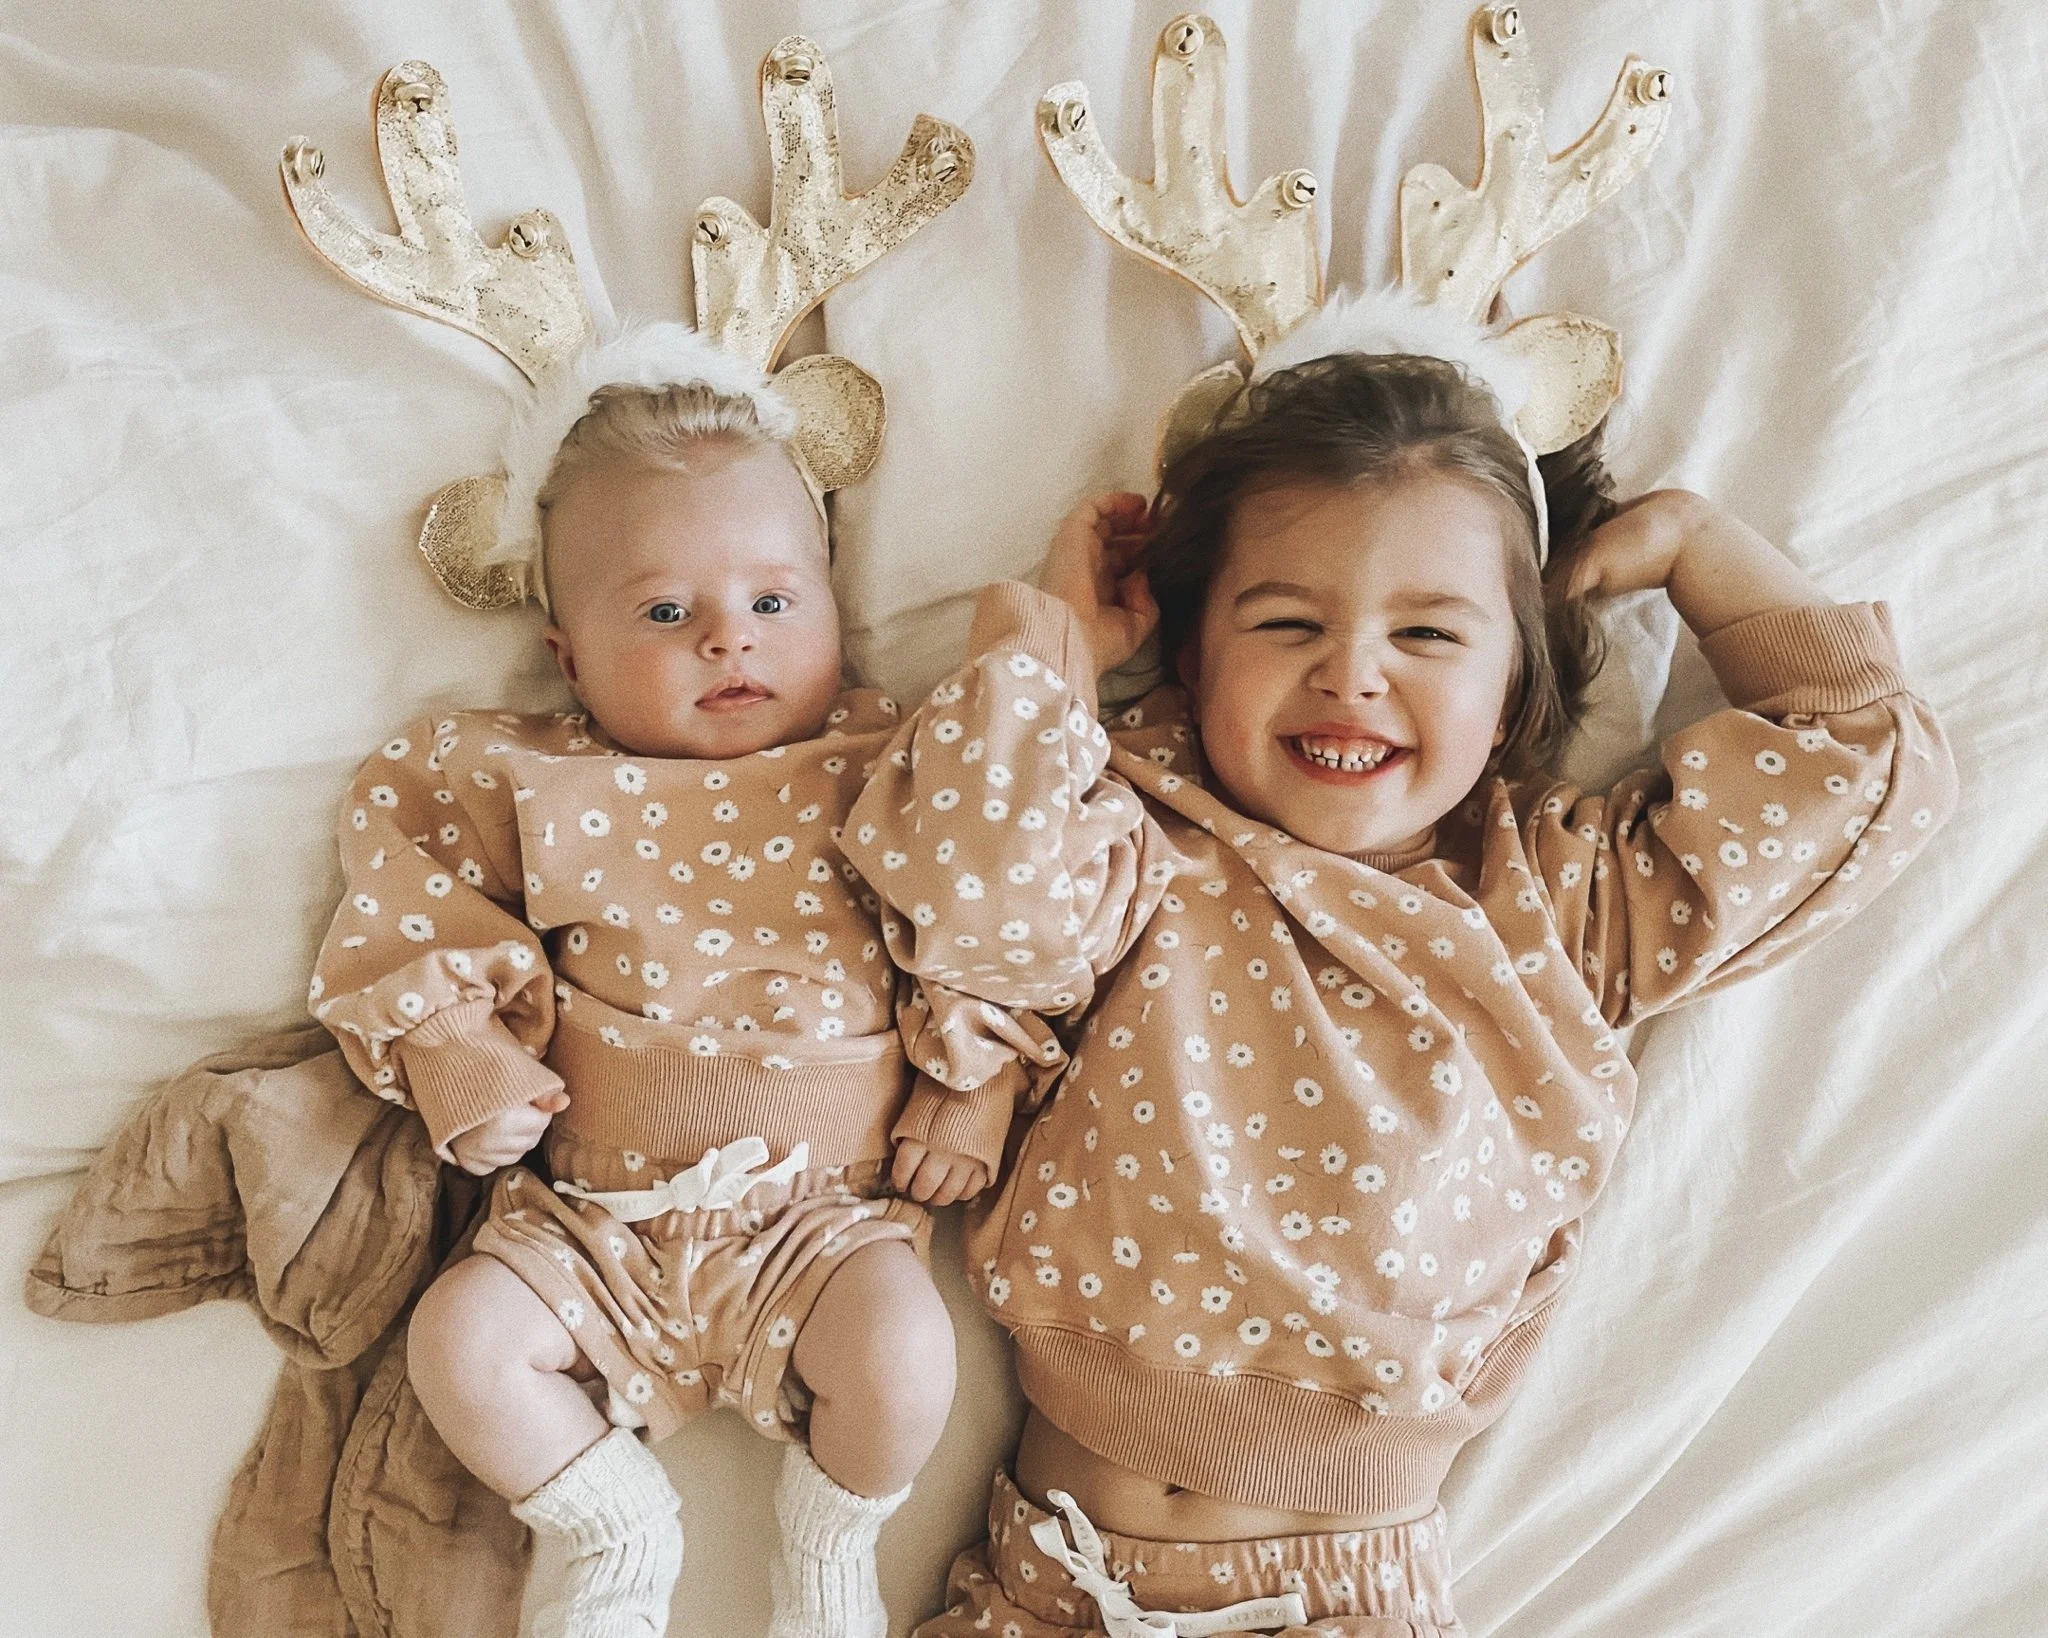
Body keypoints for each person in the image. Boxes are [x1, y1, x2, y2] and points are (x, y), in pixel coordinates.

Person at [842, 351, 1956, 1635]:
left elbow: (1862, 764)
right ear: (1194, 666)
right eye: (1283, 623)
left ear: (1507, 700)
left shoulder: (1553, 901)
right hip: (1043, 1577)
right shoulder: (1139, 835)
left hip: (1340, 1595)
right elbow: (967, 895)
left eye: (1425, 633)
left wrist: (1698, 547)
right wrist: (1050, 651)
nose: (1350, 672)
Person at [308, 330, 1000, 1638]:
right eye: (667, 612)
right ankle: (606, 1519)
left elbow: (989, 906)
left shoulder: (887, 759)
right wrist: (462, 1051)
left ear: (836, 604)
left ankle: (826, 1538)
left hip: (813, 1225)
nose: (729, 639)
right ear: (569, 657)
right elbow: (406, 901)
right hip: (589, 1221)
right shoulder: (524, 772)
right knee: (458, 1341)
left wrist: (973, 1069)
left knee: (908, 1359)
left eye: (775, 601)